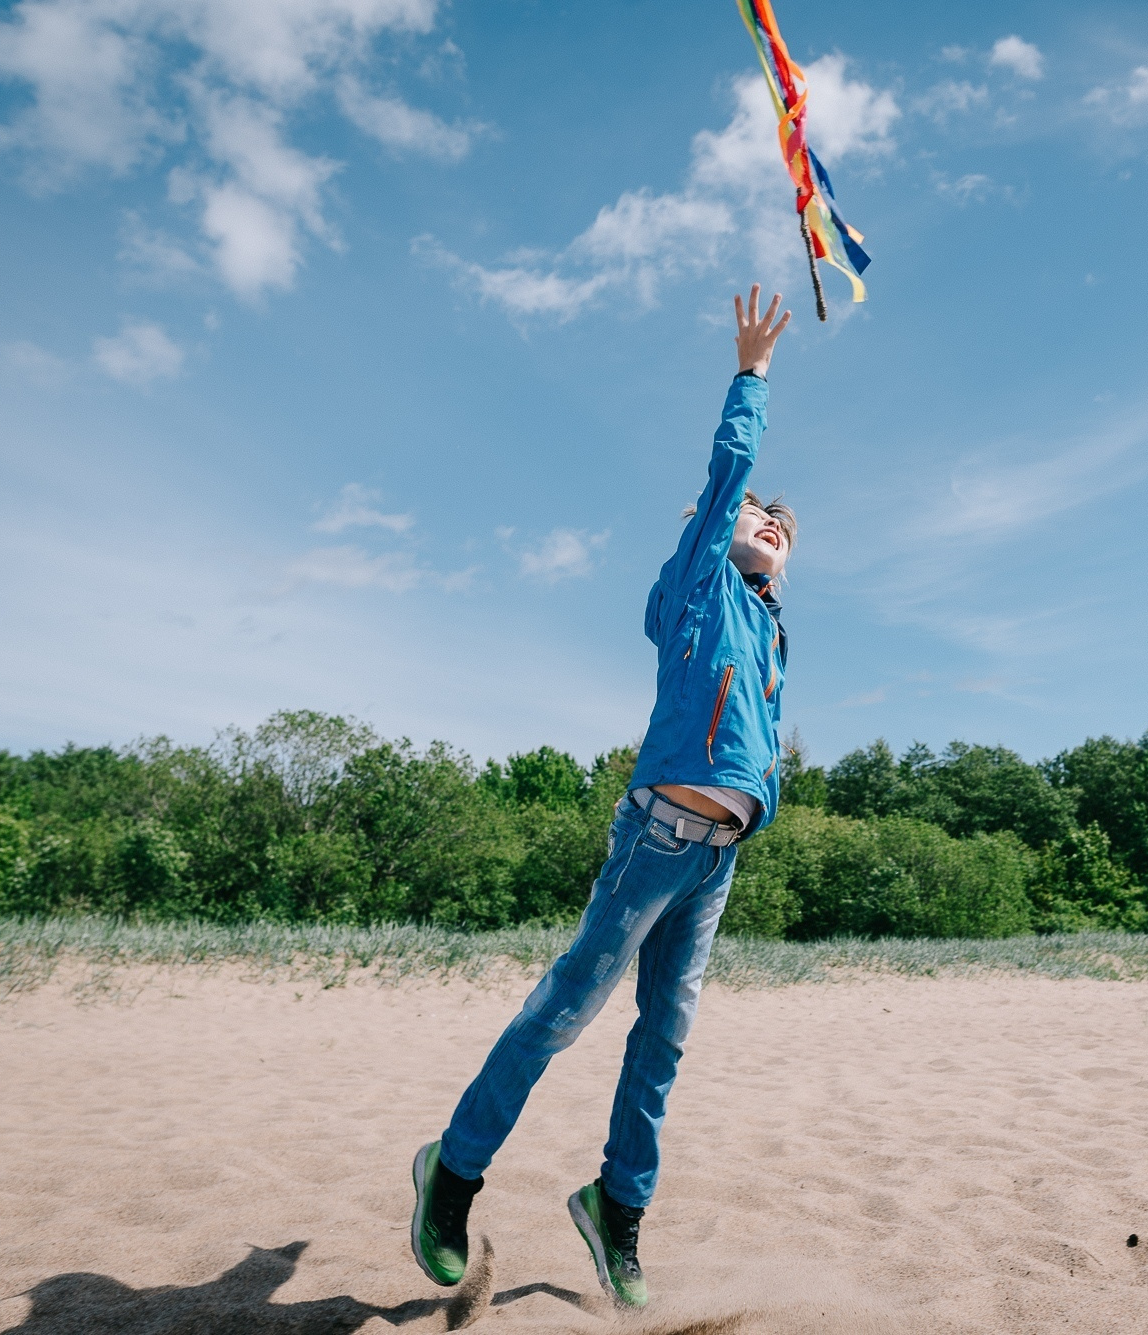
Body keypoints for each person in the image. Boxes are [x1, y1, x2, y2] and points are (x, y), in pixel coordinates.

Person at [409, 285, 797, 1308]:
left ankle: (614, 1211)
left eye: (783, 532)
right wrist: (749, 376)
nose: (769, 526)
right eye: (757, 517)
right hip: (656, 836)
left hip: (717, 858)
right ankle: (449, 1172)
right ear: (720, 534)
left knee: (664, 1037)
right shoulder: (697, 589)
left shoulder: (771, 633)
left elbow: (757, 747)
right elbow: (726, 484)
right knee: (565, 1009)